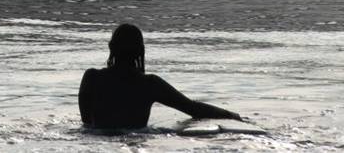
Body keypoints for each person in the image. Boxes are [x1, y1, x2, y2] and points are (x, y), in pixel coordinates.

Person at [78, 24, 244, 130]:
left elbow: (86, 123)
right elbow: (193, 109)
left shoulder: (91, 78)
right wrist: (231, 115)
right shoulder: (149, 84)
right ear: (140, 51)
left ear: (111, 48)